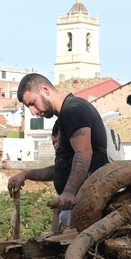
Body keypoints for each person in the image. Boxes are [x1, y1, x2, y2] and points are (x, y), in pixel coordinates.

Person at [8, 73, 110, 227]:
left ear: (45, 90)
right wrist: (27, 174)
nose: (33, 112)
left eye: (32, 103)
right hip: (75, 205)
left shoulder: (74, 110)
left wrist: (68, 192)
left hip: (91, 205)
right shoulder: (61, 122)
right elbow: (62, 168)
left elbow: (83, 153)